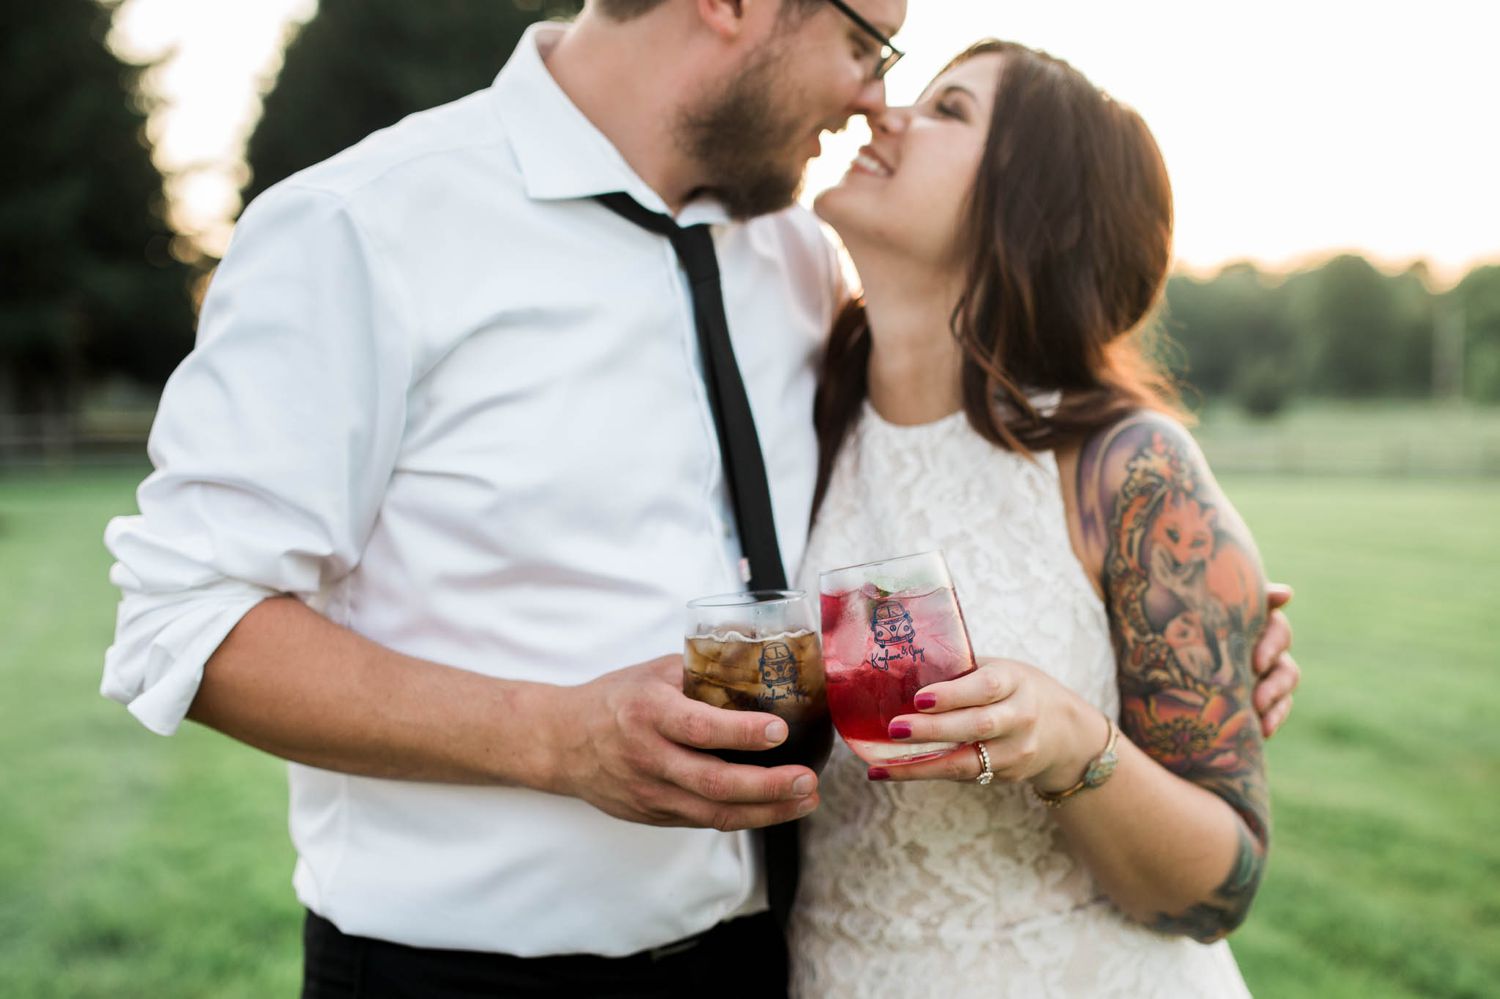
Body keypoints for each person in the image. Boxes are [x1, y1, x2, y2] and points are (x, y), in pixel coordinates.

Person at [99, 2, 1297, 995]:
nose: (871, 97)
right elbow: (180, 619)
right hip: (463, 974)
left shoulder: (801, 264)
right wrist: (552, 735)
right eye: (869, 43)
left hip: (765, 962)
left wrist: (1174, 633)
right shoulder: (362, 226)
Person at [788, 40, 1283, 997]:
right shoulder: (800, 422)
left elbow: (1221, 887)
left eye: (949, 111)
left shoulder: (1124, 468)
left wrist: (1071, 742)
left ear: (1034, 211)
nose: (883, 113)